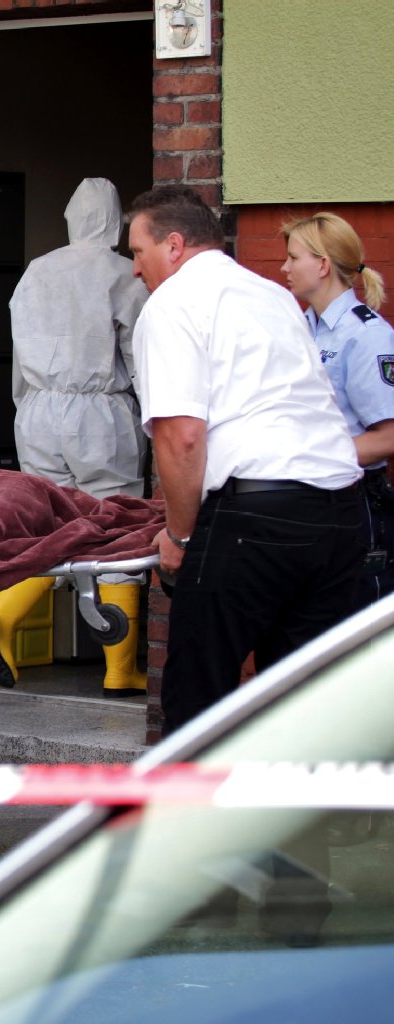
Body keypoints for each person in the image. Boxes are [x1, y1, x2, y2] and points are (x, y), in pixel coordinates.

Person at [127, 185, 364, 734]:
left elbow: (182, 437)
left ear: (175, 245)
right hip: (339, 512)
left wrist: (180, 539)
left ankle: (190, 819)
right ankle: (313, 819)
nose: (136, 270)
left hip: (254, 516)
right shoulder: (272, 296)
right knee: (306, 699)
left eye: (138, 252)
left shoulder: (171, 304)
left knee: (197, 697)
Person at [0, 177, 150, 697]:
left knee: (52, 527)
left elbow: (19, 353)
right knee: (117, 530)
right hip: (100, 412)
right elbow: (139, 356)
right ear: (116, 223)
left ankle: (2, 619)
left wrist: (27, 406)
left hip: (38, 411)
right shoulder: (123, 275)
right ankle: (119, 670)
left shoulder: (36, 272)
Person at [279, 212, 394, 605]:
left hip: (354, 502)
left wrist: (313, 454)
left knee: (351, 641)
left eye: (294, 258)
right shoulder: (300, 327)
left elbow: (389, 437)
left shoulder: (366, 335)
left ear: (323, 265)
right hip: (306, 502)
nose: (284, 267)